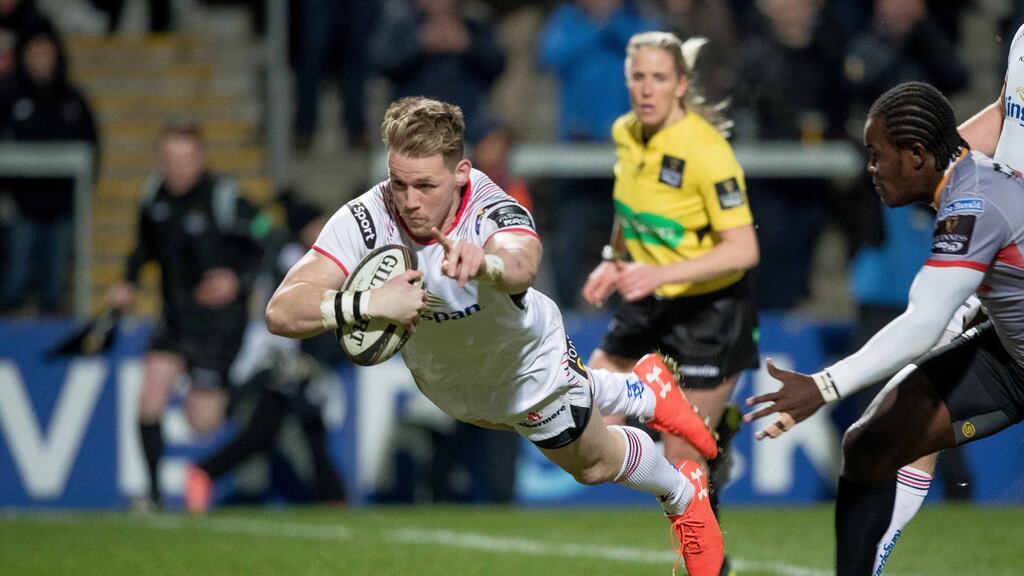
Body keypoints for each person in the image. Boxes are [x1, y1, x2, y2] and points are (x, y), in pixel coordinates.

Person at [266, 96, 724, 575]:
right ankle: (644, 388)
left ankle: (681, 491)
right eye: (399, 182)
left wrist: (484, 264)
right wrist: (366, 303)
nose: (409, 200)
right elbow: (281, 310)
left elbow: (522, 261)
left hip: (527, 366)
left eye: (426, 185)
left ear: (462, 172)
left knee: (593, 466)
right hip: (449, 379)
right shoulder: (367, 216)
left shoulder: (492, 208)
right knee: (514, 421)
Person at [744, 81, 1024, 575]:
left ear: (916, 156)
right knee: (870, 441)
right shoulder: (965, 189)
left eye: (877, 155)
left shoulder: (974, 203)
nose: (870, 170)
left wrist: (823, 386)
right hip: (1010, 354)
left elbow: (922, 320)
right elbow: (945, 307)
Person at [580, 31, 759, 576]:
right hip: (649, 303)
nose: (646, 89)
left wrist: (658, 269)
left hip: (710, 313)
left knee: (686, 465)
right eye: (638, 77)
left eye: (659, 78)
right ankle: (696, 425)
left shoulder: (706, 150)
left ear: (681, 84)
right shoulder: (626, 134)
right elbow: (630, 207)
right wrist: (615, 256)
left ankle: (709, 567)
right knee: (580, 414)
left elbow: (744, 248)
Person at [107, 124, 267, 509]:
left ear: (201, 160)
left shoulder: (226, 198)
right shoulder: (153, 199)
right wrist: (127, 282)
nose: (177, 168)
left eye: (185, 159)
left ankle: (257, 384)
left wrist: (236, 279)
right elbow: (143, 248)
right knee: (149, 397)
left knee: (203, 422)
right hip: (175, 322)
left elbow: (269, 238)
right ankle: (154, 495)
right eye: (169, 160)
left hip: (218, 327)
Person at [184, 192, 347, 512]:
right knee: (276, 430)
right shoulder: (292, 256)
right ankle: (205, 472)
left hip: (285, 356)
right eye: (318, 223)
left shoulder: (287, 252)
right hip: (278, 357)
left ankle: (333, 495)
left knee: (285, 428)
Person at [0, 23, 98, 314]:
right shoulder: (10, 98)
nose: (41, 58)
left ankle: (50, 347)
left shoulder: (72, 100)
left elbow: (92, 150)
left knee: (55, 288)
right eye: (35, 52)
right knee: (13, 282)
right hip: (22, 208)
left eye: (46, 51)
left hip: (62, 209)